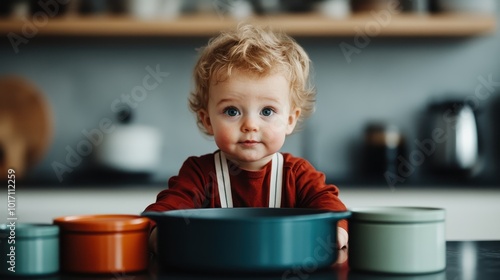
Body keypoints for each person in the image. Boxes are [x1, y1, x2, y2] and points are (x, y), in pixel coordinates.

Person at [144, 24, 348, 253]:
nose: (250, 125)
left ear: (290, 120)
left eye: (267, 111)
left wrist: (337, 229)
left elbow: (332, 210)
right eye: (232, 111)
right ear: (208, 120)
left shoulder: (298, 174)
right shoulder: (199, 175)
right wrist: (156, 233)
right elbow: (163, 212)